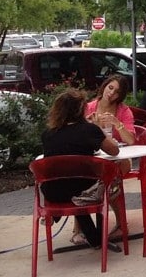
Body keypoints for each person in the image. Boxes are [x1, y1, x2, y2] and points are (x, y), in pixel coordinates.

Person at [41, 88, 122, 251]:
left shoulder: (48, 133)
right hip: (84, 192)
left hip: (53, 193)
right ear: (80, 110)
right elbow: (115, 151)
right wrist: (98, 129)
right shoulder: (88, 131)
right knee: (110, 183)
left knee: (69, 181)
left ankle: (92, 237)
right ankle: (100, 237)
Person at [77, 75, 135, 243]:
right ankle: (78, 228)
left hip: (118, 158)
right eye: (110, 88)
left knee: (111, 178)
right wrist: (89, 126)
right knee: (80, 178)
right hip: (92, 159)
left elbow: (131, 140)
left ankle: (120, 224)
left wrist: (117, 123)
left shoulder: (123, 111)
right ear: (103, 87)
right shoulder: (88, 108)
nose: (112, 93)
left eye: (117, 92)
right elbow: (76, 135)